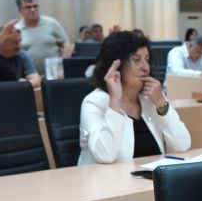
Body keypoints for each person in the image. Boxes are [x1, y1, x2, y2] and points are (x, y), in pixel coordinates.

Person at [78, 31, 191, 165]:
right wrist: (115, 101)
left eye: (147, 59)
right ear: (116, 65)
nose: (145, 67)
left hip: (150, 182)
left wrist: (161, 104)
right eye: (137, 60)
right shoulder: (94, 102)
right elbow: (105, 155)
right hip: (108, 184)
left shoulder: (150, 98)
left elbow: (182, 145)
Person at [14, 0, 69, 77]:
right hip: (30, 76)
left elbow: (66, 45)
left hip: (54, 75)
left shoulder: (51, 23)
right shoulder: (16, 29)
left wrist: (63, 67)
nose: (33, 10)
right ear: (19, 10)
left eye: (35, 6)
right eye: (27, 7)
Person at [0, 21, 41, 87]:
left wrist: (23, 85)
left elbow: (36, 79)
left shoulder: (21, 54)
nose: (19, 46)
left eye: (19, 41)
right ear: (2, 42)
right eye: (14, 42)